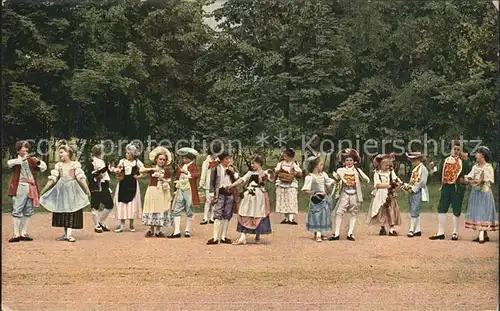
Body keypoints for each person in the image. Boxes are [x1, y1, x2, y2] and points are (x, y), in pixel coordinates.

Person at [39, 144, 91, 242]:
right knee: (63, 210)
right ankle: (66, 233)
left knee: (71, 210)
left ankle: (69, 234)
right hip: (61, 190)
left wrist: (86, 189)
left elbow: (80, 178)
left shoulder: (74, 165)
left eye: (62, 152)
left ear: (68, 153)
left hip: (72, 190)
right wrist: (44, 190)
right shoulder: (59, 166)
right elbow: (53, 179)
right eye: (59, 152)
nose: (60, 154)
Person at [429, 141, 472, 241]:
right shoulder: (445, 161)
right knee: (441, 208)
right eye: (454, 149)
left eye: (458, 149)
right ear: (451, 150)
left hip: (457, 188)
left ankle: (455, 232)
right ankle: (441, 232)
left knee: (456, 209)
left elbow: (469, 173)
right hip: (446, 187)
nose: (456, 151)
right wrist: (433, 170)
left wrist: (465, 180)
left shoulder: (463, 162)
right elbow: (439, 174)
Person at [227, 155, 273, 245]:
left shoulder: (264, 173)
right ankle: (243, 236)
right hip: (249, 194)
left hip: (259, 195)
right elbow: (242, 179)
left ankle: (257, 235)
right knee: (245, 211)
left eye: (253, 163)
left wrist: (263, 178)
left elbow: (266, 183)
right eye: (251, 163)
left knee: (258, 213)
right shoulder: (250, 173)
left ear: (259, 163)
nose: (252, 165)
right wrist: (232, 185)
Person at [7, 140, 47, 243]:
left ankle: (23, 233)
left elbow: (43, 168)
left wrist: (37, 161)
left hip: (31, 187)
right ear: (18, 150)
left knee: (28, 209)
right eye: (24, 147)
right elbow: (10, 163)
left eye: (27, 147)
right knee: (17, 209)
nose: (26, 149)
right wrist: (22, 159)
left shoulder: (30, 161)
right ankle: (16, 234)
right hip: (20, 186)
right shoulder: (15, 161)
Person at [330, 149, 370, 241]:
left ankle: (350, 233)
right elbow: (338, 176)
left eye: (350, 160)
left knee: (353, 212)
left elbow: (366, 179)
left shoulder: (357, 171)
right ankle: (336, 233)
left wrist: (364, 179)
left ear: (354, 161)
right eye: (347, 160)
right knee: (339, 212)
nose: (349, 162)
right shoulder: (341, 170)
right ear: (344, 162)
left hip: (354, 194)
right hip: (345, 193)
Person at [463, 146, 498, 243]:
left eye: (477, 154)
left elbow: (489, 179)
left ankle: (481, 233)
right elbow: (469, 176)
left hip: (484, 193)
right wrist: (467, 179)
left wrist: (482, 180)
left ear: (482, 155)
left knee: (483, 212)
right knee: (478, 211)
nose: (476, 156)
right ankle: (484, 234)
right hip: (476, 192)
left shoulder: (488, 167)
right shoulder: (475, 167)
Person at [110, 143, 144, 233]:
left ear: (133, 154)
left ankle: (131, 224)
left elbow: (144, 170)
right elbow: (118, 169)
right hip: (123, 184)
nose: (127, 155)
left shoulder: (137, 162)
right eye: (126, 153)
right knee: (122, 203)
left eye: (129, 153)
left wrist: (139, 176)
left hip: (132, 184)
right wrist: (117, 172)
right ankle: (121, 224)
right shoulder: (122, 161)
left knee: (132, 203)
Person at [302, 156, 337, 242]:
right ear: (315, 166)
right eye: (321, 164)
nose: (322, 166)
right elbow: (305, 190)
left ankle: (321, 232)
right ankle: (317, 233)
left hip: (324, 199)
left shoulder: (323, 175)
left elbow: (329, 181)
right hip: (316, 199)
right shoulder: (310, 177)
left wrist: (336, 180)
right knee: (316, 216)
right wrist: (313, 193)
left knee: (323, 216)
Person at [206, 151, 238, 245]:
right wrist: (212, 194)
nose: (228, 161)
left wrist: (233, 173)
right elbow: (212, 182)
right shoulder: (215, 169)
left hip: (229, 193)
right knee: (218, 214)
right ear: (221, 160)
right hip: (219, 193)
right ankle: (215, 237)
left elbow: (237, 179)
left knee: (227, 215)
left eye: (229, 158)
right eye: (226, 159)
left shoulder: (232, 169)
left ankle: (224, 236)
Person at [367, 153, 402, 236]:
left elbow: (396, 179)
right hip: (381, 194)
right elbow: (377, 185)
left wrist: (398, 184)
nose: (387, 167)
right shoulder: (377, 174)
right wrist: (388, 185)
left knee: (391, 210)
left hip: (389, 194)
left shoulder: (390, 173)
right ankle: (382, 227)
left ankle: (391, 229)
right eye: (385, 165)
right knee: (382, 211)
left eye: (388, 165)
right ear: (380, 165)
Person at [141, 146, 173, 237]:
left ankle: (158, 230)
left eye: (164, 159)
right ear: (156, 160)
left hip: (161, 190)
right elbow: (141, 170)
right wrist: (151, 170)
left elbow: (167, 181)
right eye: (160, 159)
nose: (162, 161)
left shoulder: (166, 171)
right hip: (152, 189)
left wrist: (163, 180)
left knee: (160, 208)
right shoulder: (152, 169)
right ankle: (151, 229)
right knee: (152, 207)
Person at [168, 149, 200, 238]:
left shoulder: (194, 166)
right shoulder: (182, 166)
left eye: (186, 158)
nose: (184, 160)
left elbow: (196, 175)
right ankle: (176, 231)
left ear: (191, 158)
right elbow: (177, 176)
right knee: (177, 208)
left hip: (189, 189)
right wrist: (176, 181)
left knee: (189, 208)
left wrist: (186, 172)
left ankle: (187, 230)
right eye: (184, 158)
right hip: (180, 189)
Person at [401, 152, 429, 237]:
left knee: (414, 209)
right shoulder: (415, 169)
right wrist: (407, 186)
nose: (412, 161)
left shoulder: (423, 169)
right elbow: (412, 180)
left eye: (414, 160)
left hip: (418, 191)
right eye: (411, 160)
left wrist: (413, 189)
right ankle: (417, 229)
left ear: (418, 159)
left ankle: (411, 229)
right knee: (414, 208)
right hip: (413, 191)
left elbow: (422, 182)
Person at [89, 144, 113, 233]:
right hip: (97, 185)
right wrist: (99, 174)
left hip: (104, 185)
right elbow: (93, 174)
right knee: (95, 205)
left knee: (109, 204)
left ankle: (101, 221)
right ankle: (96, 225)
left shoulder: (101, 161)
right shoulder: (94, 161)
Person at [275, 148, 302, 225]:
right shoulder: (280, 163)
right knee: (283, 199)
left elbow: (300, 173)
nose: (285, 158)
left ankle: (291, 218)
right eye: (284, 156)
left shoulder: (294, 164)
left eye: (287, 156)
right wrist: (279, 170)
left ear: (291, 157)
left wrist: (294, 173)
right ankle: (286, 218)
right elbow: (276, 171)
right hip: (281, 182)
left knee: (291, 200)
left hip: (290, 184)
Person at [199, 152, 218, 225]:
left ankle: (212, 217)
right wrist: (201, 183)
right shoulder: (206, 162)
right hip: (208, 184)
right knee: (208, 201)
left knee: (214, 201)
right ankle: (205, 217)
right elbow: (203, 173)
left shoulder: (218, 161)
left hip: (216, 184)